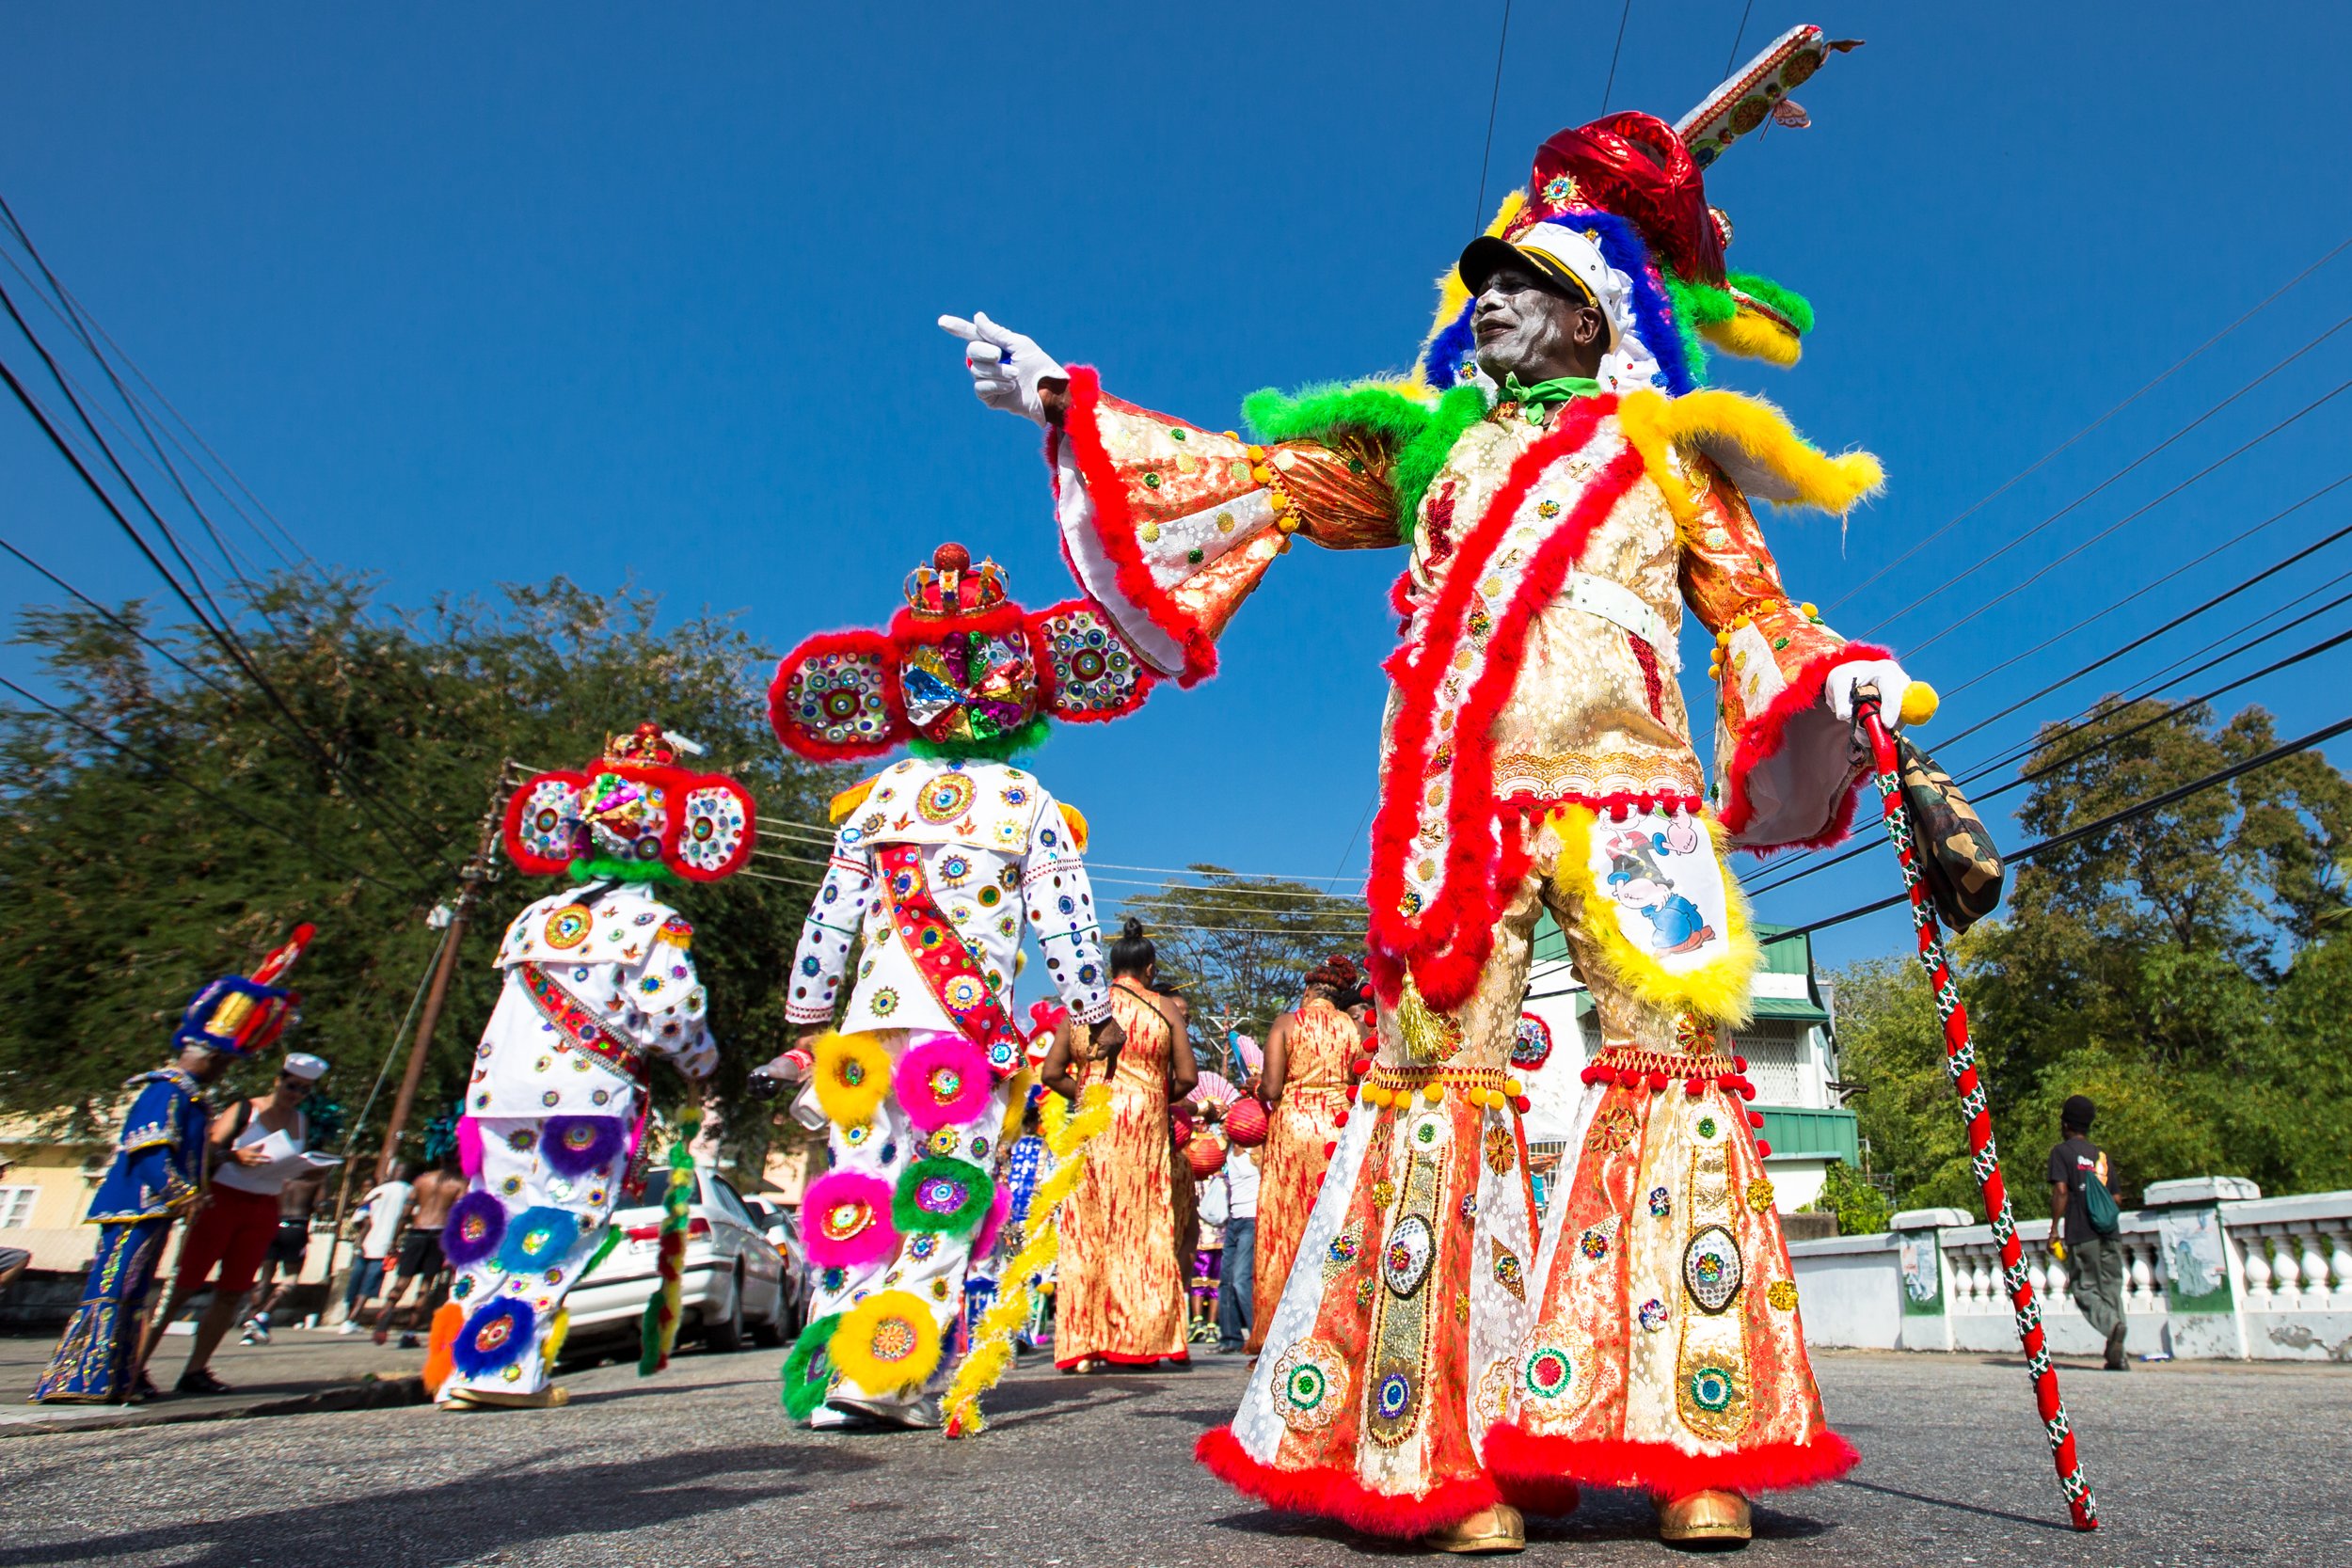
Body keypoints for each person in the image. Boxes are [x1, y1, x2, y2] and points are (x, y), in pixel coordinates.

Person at [945, 29, 1905, 1550]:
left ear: (1603, 318)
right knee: (1440, 1096)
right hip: (1465, 814)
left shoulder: (1670, 460)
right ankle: (1442, 1446)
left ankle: (1690, 1430)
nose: (1494, 305)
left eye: (1529, 288)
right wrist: (1074, 408)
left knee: (1683, 1070)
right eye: (1492, 287)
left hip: (1639, 800)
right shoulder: (1434, 462)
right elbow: (1256, 482)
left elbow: (1759, 607)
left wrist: (1844, 679)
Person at [759, 543, 1126, 1429]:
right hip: (960, 1039)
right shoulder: (1025, 804)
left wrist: (806, 1026)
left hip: (862, 1036)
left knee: (860, 1193)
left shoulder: (876, 799)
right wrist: (1094, 1014)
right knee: (943, 1192)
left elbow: (827, 926)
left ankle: (833, 1379)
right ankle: (882, 1377)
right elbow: (1068, 926)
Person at [427, 722, 751, 1410]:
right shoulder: (649, 922)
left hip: (498, 1092)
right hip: (585, 1097)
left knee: (496, 1213)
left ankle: (468, 1364)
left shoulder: (532, 916)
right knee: (563, 1217)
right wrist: (704, 1063)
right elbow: (675, 1014)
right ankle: (506, 1368)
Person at [1041, 919, 1199, 1372]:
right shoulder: (1165, 1009)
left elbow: (1052, 1074)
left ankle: (1082, 1342)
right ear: (1149, 969)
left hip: (1092, 1124)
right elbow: (1187, 1078)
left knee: (1088, 1225)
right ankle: (1141, 1340)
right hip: (1145, 1128)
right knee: (1143, 1224)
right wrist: (1150, 1096)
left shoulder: (1082, 1008)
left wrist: (1093, 1096)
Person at [146, 1051, 332, 1395]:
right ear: (278, 1080)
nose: (295, 1094)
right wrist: (234, 1155)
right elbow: (206, 1150)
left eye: (304, 1090)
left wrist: (307, 1169)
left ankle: (196, 1369)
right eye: (292, 1085)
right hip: (224, 1197)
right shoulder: (246, 1109)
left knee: (232, 1291)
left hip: (264, 1204)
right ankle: (137, 1364)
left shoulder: (301, 1121)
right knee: (182, 1286)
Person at [1248, 955, 1366, 1354]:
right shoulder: (1352, 1026)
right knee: (1332, 1222)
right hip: (1337, 1126)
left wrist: (1257, 1087)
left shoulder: (1286, 1023)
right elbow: (1360, 1077)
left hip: (1293, 1129)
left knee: (1283, 1229)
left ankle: (1273, 1334)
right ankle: (1330, 1326)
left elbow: (1273, 1087)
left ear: (1308, 991)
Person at [2048, 1095, 2127, 1370]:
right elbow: (2116, 1197)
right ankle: (2118, 1355)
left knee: (2083, 1288)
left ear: (2066, 1123)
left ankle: (2112, 1326)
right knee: (2111, 1290)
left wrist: (2054, 1229)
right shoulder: (2100, 1156)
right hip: (2110, 1232)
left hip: (2082, 1233)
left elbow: (2061, 1191)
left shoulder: (2062, 1152)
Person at [370, 1152, 463, 1345]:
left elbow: (405, 1212)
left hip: (416, 1232)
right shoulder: (459, 1184)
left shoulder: (422, 1180)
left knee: (402, 1281)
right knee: (425, 1286)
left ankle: (387, 1308)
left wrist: (395, 1240)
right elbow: (458, 1217)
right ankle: (409, 1333)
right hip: (438, 1234)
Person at [244, 1168, 327, 1344]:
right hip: (296, 1228)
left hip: (274, 1226)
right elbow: (321, 1206)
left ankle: (250, 1324)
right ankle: (263, 1315)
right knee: (290, 1278)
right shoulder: (316, 1180)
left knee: (264, 1278)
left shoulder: (282, 1177)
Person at [338, 1164, 416, 1333]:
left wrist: (363, 1235)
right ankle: (352, 1319)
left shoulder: (378, 1190)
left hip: (365, 1244)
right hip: (386, 1245)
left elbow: (360, 1216)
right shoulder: (411, 1191)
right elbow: (411, 1217)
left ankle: (348, 1318)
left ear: (393, 1173)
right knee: (370, 1284)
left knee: (356, 1280)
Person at [1214, 1132, 1261, 1355]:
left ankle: (1257, 1335)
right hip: (1233, 1219)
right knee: (1225, 1281)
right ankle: (1230, 1337)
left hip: (1251, 1218)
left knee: (1241, 1280)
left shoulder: (1257, 1148)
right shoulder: (1229, 1149)